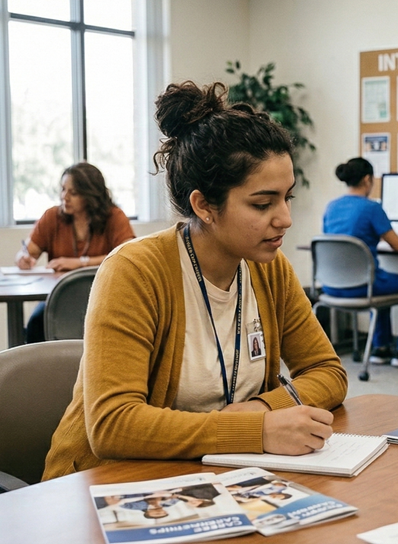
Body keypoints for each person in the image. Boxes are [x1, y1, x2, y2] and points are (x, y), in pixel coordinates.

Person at [42, 80, 348, 480]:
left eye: (286, 197)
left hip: (214, 474)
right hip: (107, 485)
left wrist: (261, 409)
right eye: (262, 203)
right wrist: (251, 431)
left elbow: (328, 372)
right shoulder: (135, 271)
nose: (285, 219)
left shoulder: (269, 268)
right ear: (203, 205)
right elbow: (113, 426)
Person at [322, 157, 398, 367]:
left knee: (382, 285)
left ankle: (380, 348)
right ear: (367, 179)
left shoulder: (331, 207)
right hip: (363, 286)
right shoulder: (372, 208)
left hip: (332, 287)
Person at [15, 162, 136, 343]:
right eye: (63, 190)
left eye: (74, 193)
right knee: (36, 323)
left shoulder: (114, 216)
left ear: (91, 195)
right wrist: (23, 258)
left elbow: (128, 254)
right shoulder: (52, 216)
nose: (65, 197)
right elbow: (27, 252)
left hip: (105, 296)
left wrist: (80, 262)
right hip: (58, 298)